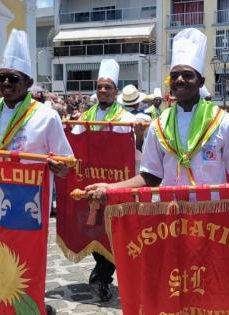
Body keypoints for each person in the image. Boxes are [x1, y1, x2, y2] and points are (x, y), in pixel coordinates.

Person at [85, 27, 229, 295]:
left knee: (211, 286)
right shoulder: (158, 125)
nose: (180, 80)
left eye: (187, 75)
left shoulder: (222, 121)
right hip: (170, 220)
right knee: (174, 287)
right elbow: (149, 177)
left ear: (200, 81)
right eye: (175, 75)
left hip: (214, 220)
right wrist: (111, 188)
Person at [0, 29, 73, 315]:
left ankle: (31, 306)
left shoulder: (46, 116)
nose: (6, 84)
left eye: (13, 79)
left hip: (30, 204)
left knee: (27, 260)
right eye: (1, 78)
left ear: (29, 83)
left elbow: (67, 162)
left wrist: (59, 166)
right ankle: (2, 305)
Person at [70, 59, 138, 302]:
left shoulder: (127, 120)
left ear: (116, 91)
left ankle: (103, 277)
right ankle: (100, 272)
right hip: (90, 185)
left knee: (113, 233)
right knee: (94, 230)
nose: (102, 91)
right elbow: (74, 147)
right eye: (99, 87)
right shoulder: (84, 118)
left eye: (107, 87)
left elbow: (135, 152)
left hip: (116, 187)